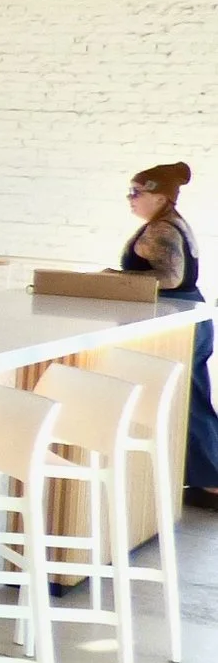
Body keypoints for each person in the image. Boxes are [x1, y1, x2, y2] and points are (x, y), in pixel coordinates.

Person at [121, 162, 218, 503]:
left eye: (136, 192)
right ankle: (207, 480)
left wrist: (116, 280)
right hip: (187, 315)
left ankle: (212, 483)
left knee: (190, 400)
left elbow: (171, 278)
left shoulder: (162, 229)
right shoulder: (168, 223)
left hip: (179, 318)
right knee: (191, 396)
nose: (130, 199)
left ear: (160, 197)